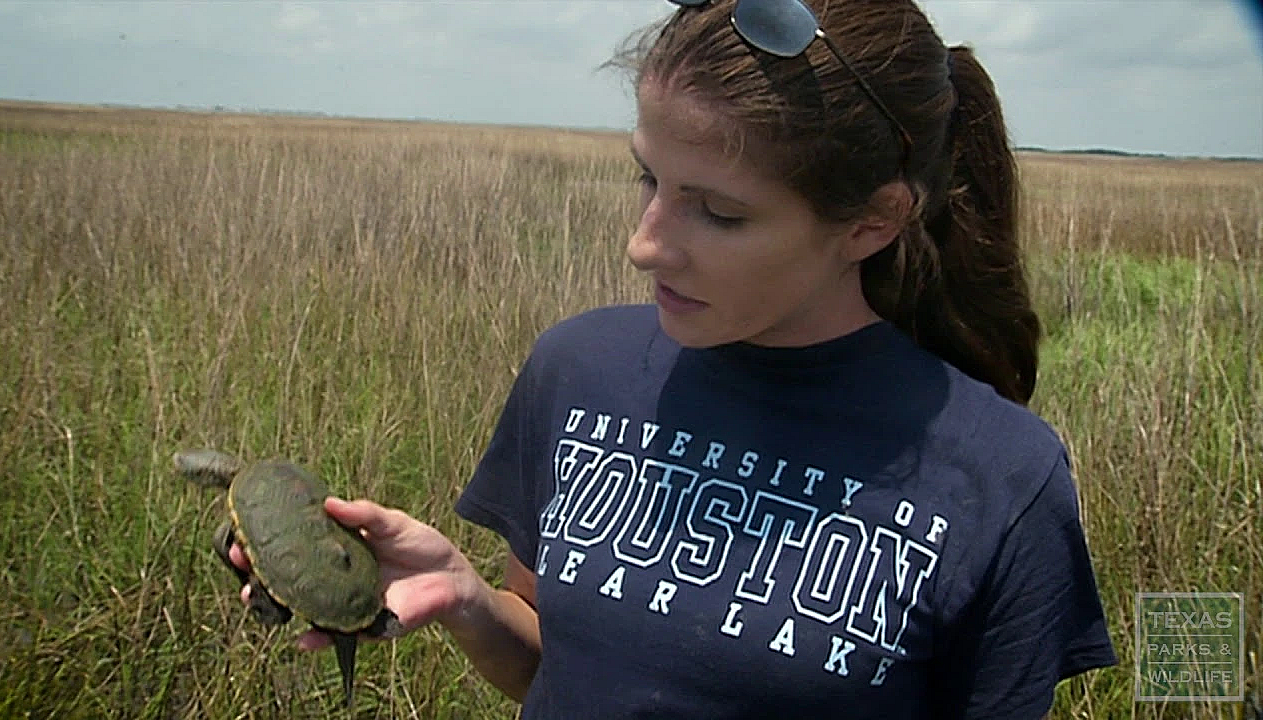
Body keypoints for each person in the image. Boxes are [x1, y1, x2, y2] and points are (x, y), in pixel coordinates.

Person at [231, 0, 1118, 716]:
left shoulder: (1005, 482)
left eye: (719, 213)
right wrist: (465, 597)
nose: (643, 244)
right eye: (647, 179)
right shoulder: (579, 369)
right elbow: (559, 676)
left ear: (871, 221)